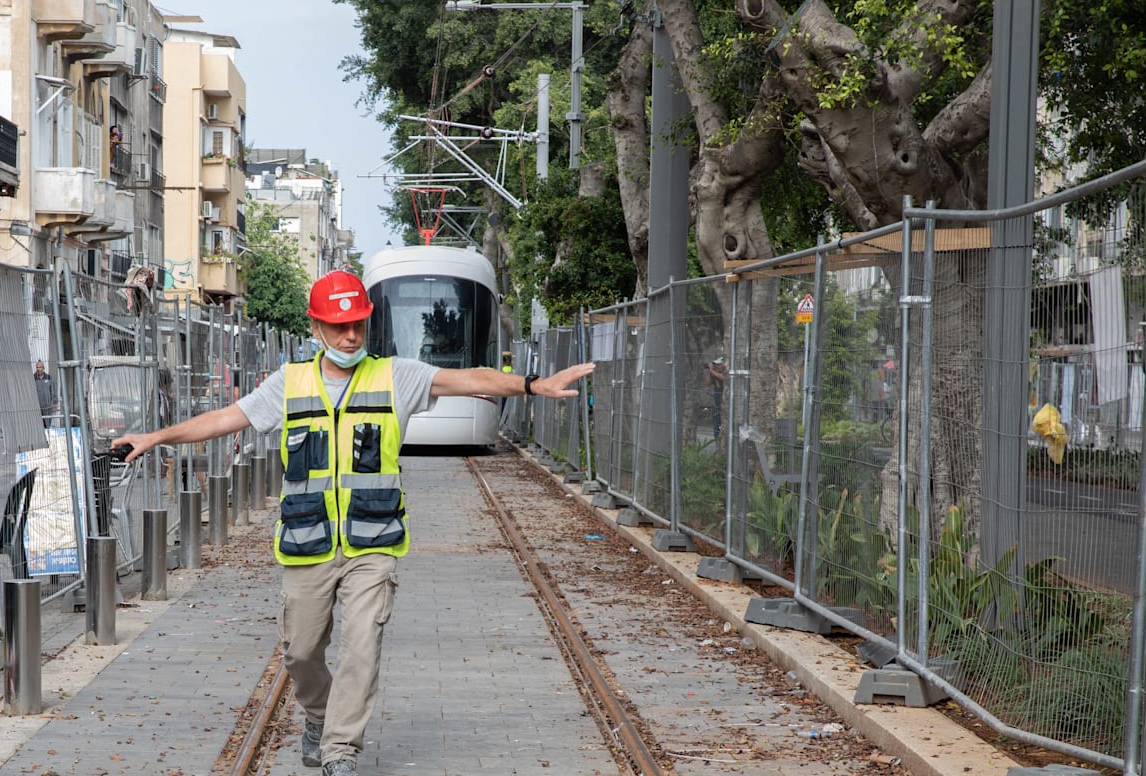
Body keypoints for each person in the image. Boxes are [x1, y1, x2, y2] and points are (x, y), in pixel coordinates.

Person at [116, 270, 593, 776]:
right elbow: (222, 420)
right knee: (301, 653)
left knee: (361, 644)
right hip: (307, 542)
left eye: (358, 326)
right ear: (316, 327)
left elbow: (470, 378)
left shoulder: (395, 376)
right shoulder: (289, 383)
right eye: (339, 327)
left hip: (373, 541)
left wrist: (533, 384)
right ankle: (320, 718)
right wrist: (157, 437)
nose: (350, 337)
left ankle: (341, 749)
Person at [707, 357, 727, 439]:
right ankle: (717, 440)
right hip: (717, 403)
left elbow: (723, 377)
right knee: (716, 425)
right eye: (716, 365)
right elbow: (708, 383)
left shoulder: (726, 372)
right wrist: (710, 371)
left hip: (724, 403)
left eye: (719, 365)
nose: (717, 367)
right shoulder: (714, 373)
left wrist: (712, 371)